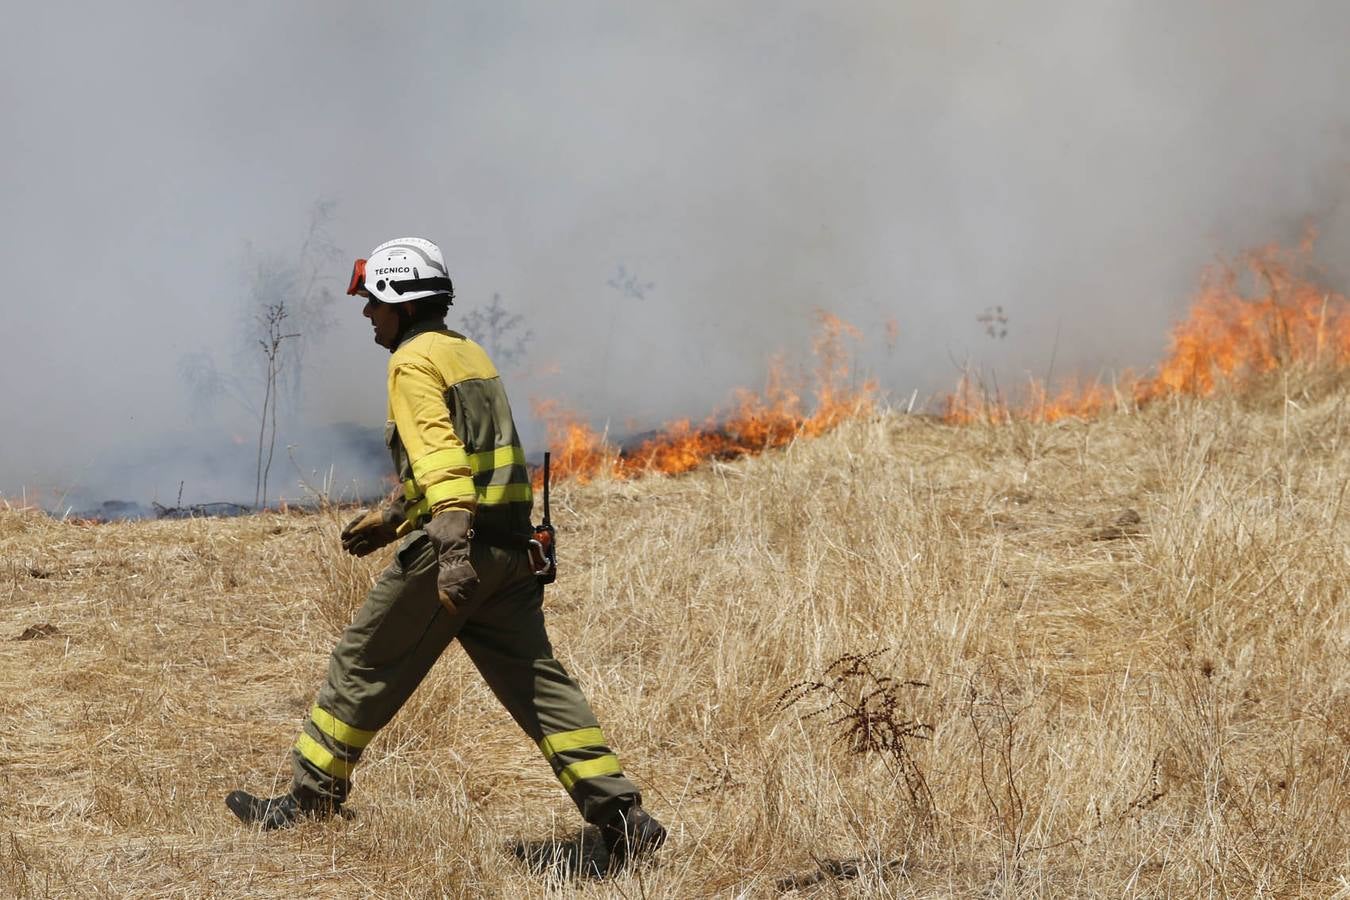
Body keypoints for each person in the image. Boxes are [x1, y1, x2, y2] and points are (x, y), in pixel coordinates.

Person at [226, 237, 665, 871]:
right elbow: (471, 457)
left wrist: (450, 553)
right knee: (538, 683)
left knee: (363, 658)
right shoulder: (467, 353)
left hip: (461, 549)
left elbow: (441, 462)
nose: (367, 315)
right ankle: (623, 815)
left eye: (374, 302)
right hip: (512, 552)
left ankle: (309, 798)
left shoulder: (410, 363)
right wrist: (392, 515)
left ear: (401, 303)